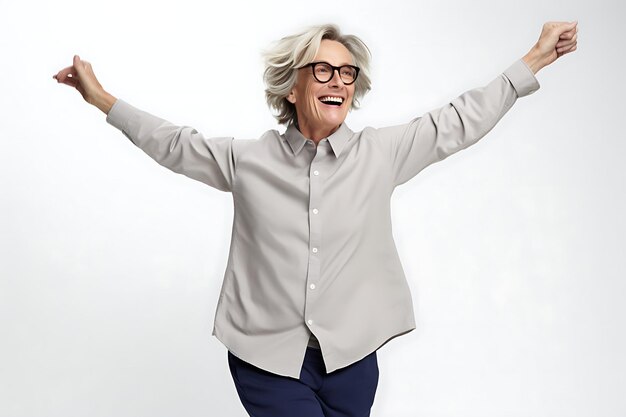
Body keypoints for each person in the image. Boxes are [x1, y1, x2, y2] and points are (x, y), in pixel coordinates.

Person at [53, 21, 578, 417]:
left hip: (351, 359)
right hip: (267, 359)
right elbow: (172, 144)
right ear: (292, 86)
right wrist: (99, 97)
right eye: (323, 69)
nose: (339, 81)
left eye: (347, 73)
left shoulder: (382, 153)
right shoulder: (247, 160)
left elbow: (459, 121)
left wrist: (535, 57)